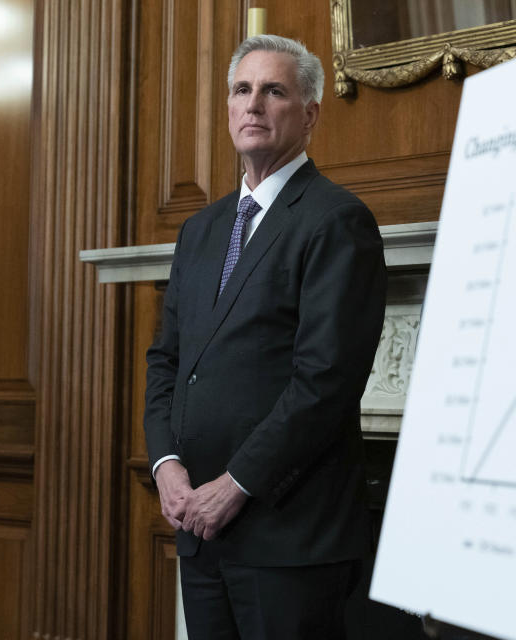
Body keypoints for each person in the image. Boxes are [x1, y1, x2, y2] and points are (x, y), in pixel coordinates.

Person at [143, 34, 387, 639]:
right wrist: (166, 464)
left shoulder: (337, 220)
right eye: (242, 89)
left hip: (288, 539)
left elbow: (325, 382)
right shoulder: (200, 230)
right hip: (201, 530)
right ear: (228, 107)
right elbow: (166, 362)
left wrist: (236, 484)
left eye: (274, 91)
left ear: (310, 114)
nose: (253, 104)